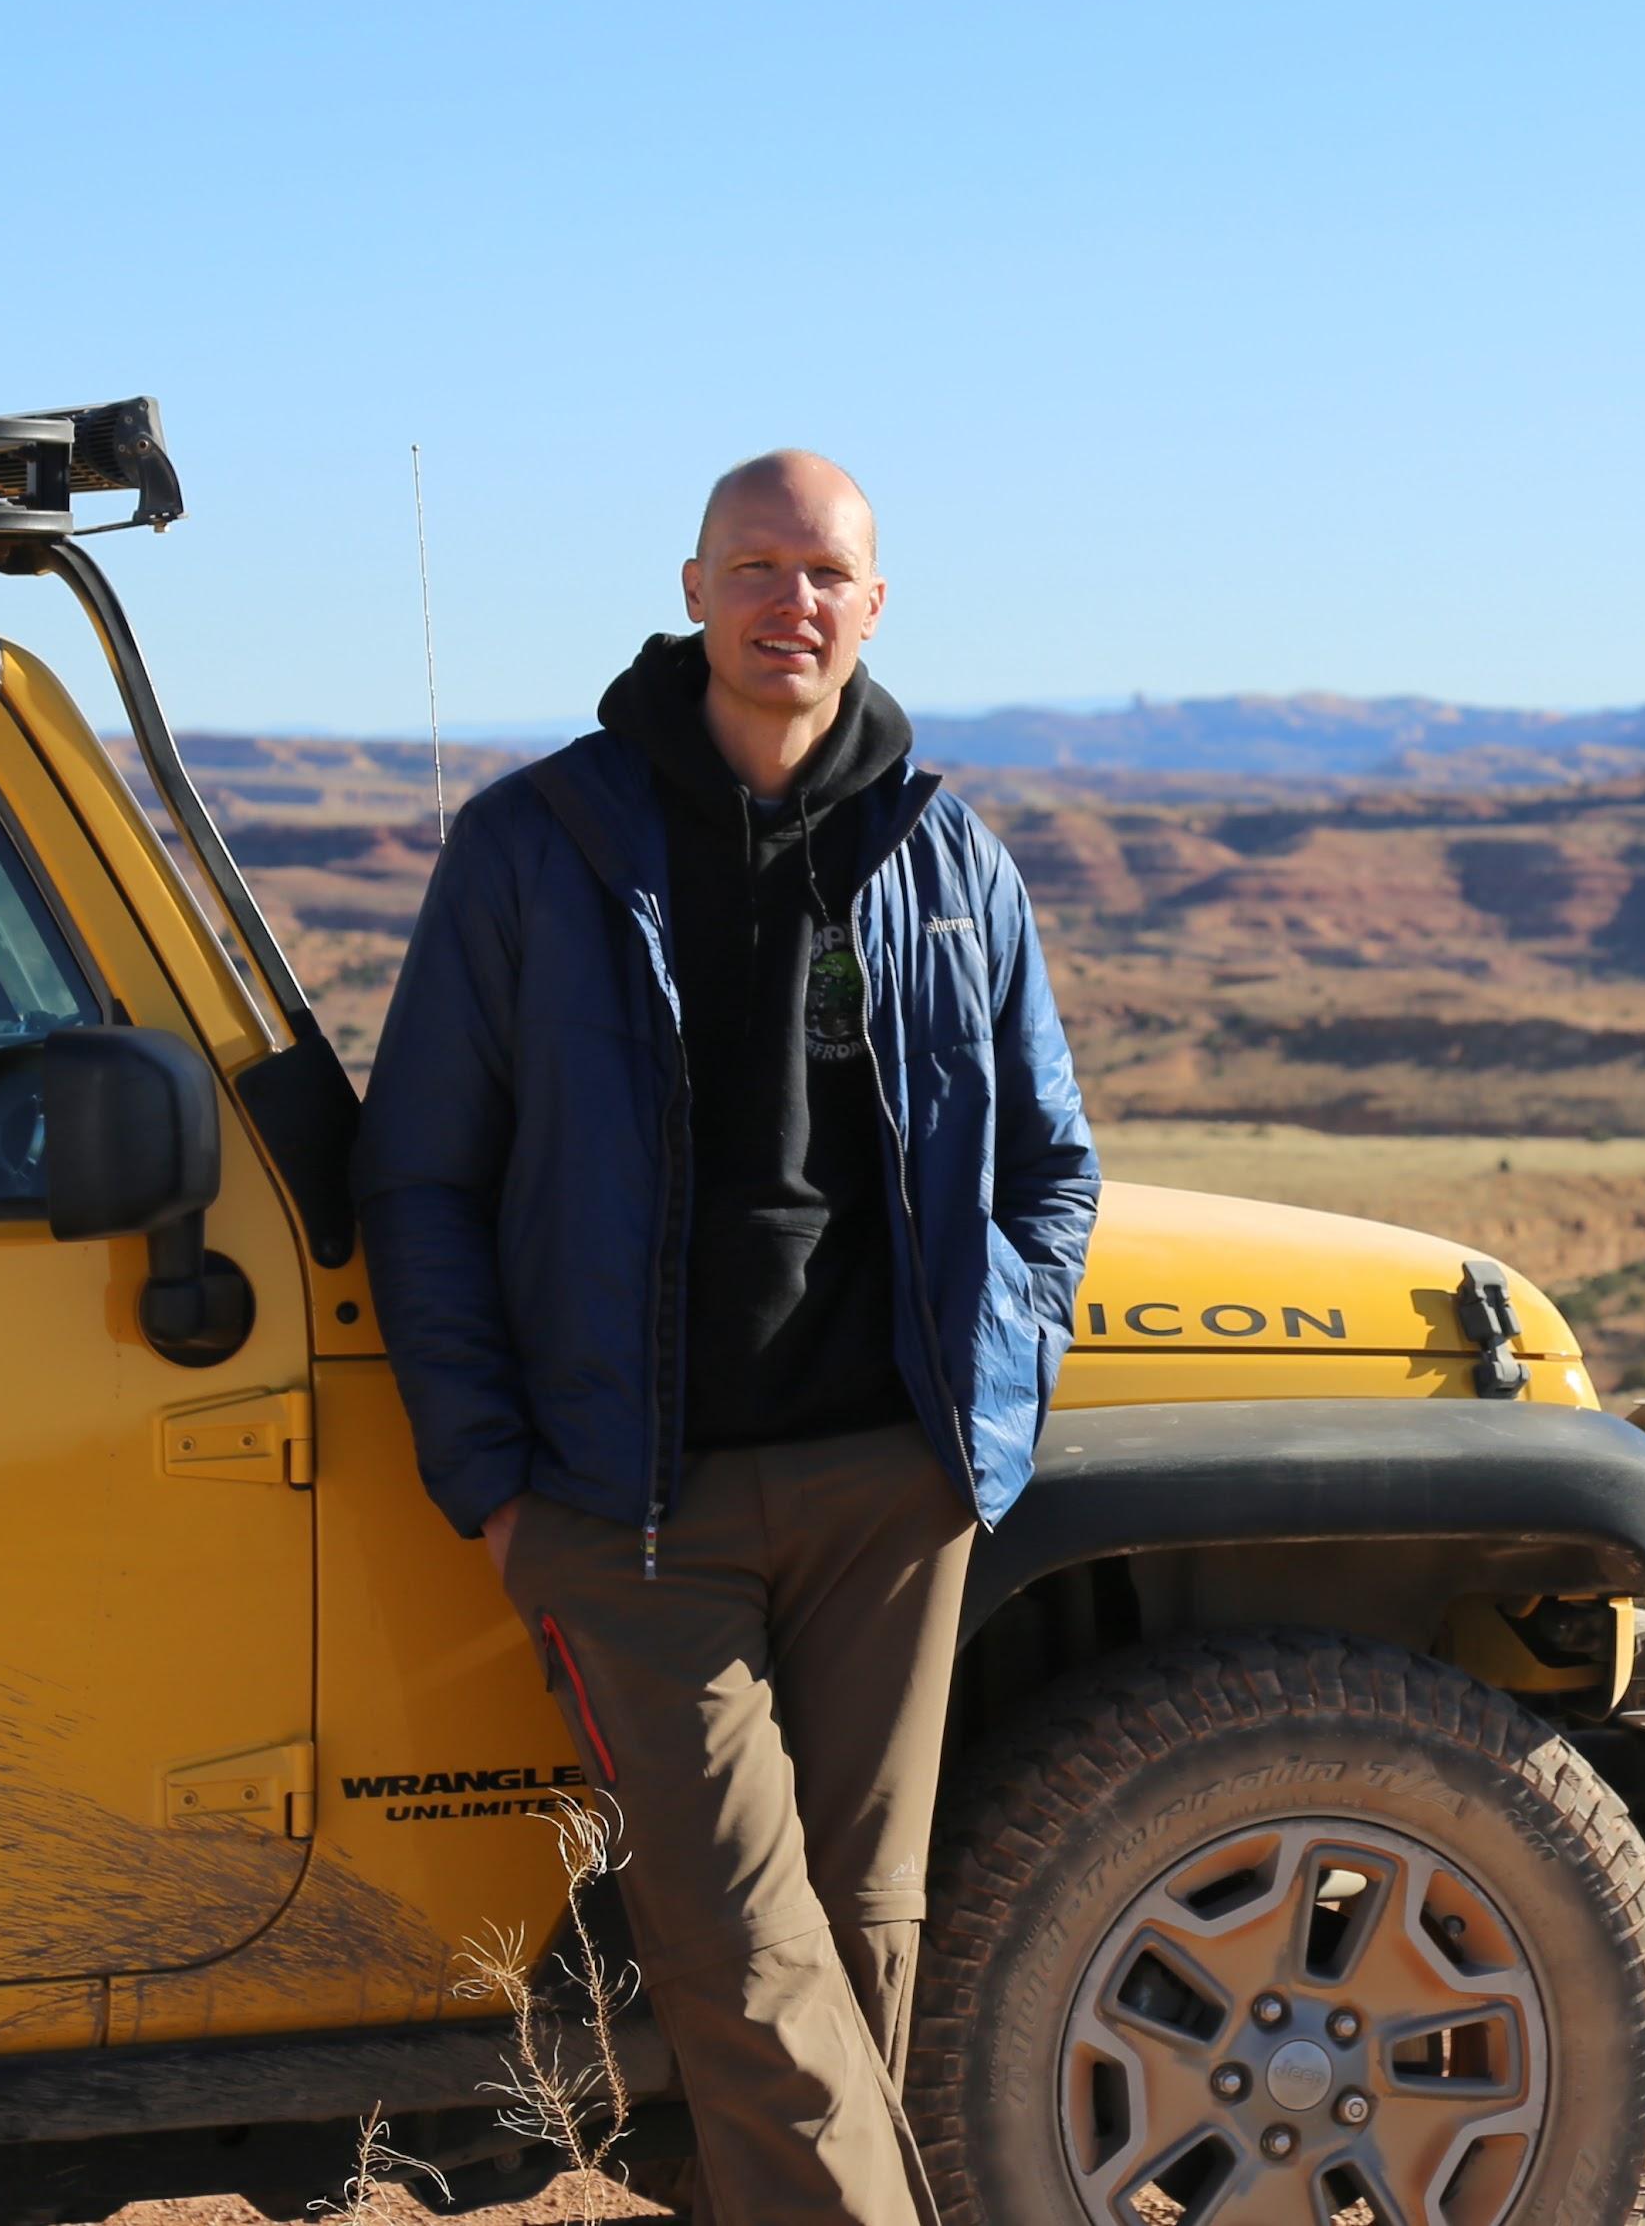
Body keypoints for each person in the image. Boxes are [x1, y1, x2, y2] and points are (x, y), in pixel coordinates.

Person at [354, 450, 1100, 2224]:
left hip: (888, 1492)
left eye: (825, 571)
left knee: (865, 1935)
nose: (792, 602)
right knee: (751, 1953)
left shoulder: (945, 854)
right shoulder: (542, 845)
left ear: (875, 602)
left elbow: (1050, 1164)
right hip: (631, 1509)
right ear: (693, 589)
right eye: (756, 566)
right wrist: (498, 1483)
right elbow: (421, 1178)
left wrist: (985, 1407)